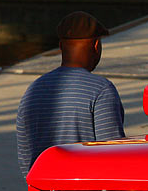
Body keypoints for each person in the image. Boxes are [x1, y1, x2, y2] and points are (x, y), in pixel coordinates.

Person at [16, 11, 125, 176]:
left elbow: (26, 158)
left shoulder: (34, 90)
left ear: (60, 47)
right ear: (96, 46)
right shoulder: (101, 90)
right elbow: (112, 155)